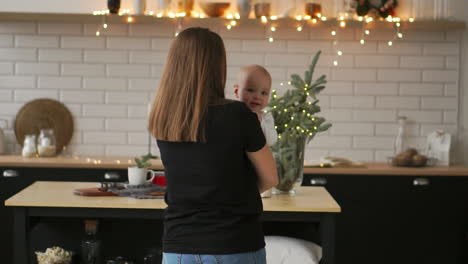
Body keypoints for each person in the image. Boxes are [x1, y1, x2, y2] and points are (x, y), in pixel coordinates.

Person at [148, 27, 278, 264]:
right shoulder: (238, 114)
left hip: (178, 246)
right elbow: (270, 178)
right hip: (234, 244)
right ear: (217, 66)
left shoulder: (162, 117)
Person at [234, 65, 278, 198]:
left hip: (259, 167)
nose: (257, 96)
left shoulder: (266, 117)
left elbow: (272, 140)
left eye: (264, 93)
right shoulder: (233, 113)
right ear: (236, 91)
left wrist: (259, 124)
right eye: (251, 90)